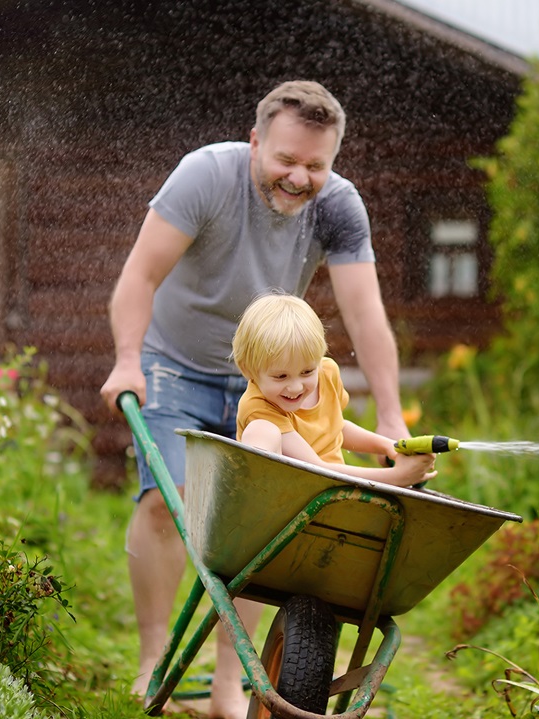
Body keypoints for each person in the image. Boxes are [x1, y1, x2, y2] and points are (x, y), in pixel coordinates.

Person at [98, 80, 409, 719]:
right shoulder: (204, 178)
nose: (299, 177)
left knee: (256, 532)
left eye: (316, 165)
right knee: (165, 502)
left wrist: (392, 414)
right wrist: (128, 360)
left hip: (267, 386)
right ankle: (154, 658)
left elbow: (366, 315)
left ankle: (228, 685)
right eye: (286, 160)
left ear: (333, 160)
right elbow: (140, 276)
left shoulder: (339, 207)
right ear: (255, 142)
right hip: (172, 365)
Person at [232, 293, 436, 486]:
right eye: (281, 376)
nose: (296, 387)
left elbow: (336, 426)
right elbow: (316, 469)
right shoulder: (258, 407)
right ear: (248, 369)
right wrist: (396, 477)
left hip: (332, 496)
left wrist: (388, 446)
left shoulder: (327, 373)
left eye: (307, 371)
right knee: (262, 431)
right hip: (293, 498)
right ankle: (256, 499)